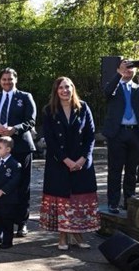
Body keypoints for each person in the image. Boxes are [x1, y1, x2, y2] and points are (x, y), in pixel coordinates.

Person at [39, 77, 99, 250]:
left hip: (81, 163)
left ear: (73, 88)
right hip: (59, 162)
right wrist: (66, 160)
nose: (64, 90)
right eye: (61, 88)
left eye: (68, 87)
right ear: (56, 91)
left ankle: (77, 235)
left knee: (77, 199)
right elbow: (50, 139)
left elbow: (90, 135)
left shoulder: (83, 107)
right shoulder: (49, 111)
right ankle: (63, 236)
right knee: (62, 199)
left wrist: (82, 159)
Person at [0, 67, 37, 236]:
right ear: (0, 81)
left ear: (16, 80)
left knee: (22, 186)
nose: (7, 82)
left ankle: (21, 223)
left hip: (21, 147)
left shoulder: (25, 97)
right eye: (4, 79)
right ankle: (0, 224)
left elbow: (31, 120)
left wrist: (16, 129)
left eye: (10, 79)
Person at [101, 60, 139, 213]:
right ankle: (113, 202)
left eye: (131, 67)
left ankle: (129, 200)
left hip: (135, 133)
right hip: (117, 133)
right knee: (115, 170)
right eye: (125, 66)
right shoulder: (114, 86)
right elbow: (107, 92)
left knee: (132, 170)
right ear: (118, 68)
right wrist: (119, 74)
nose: (128, 69)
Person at [0, 136, 21, 249]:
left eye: (0, 147)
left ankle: (7, 241)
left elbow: (14, 181)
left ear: (8, 149)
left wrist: (2, 191)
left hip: (7, 198)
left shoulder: (15, 164)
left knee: (7, 220)